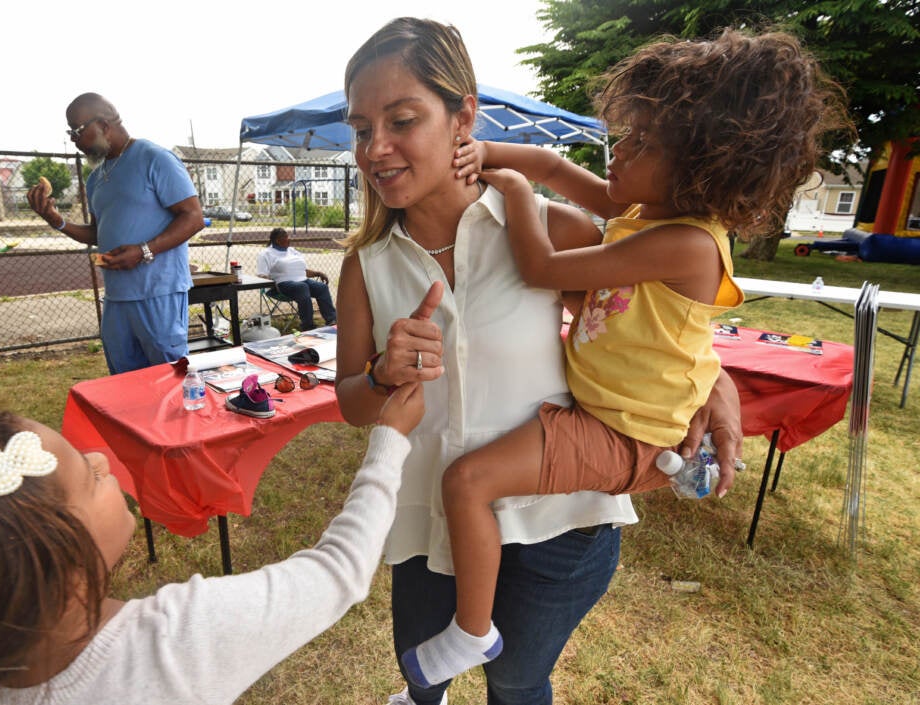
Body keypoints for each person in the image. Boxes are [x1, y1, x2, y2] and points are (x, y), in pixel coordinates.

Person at [400, 28, 850, 688]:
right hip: (613, 408)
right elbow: (556, 167)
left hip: (619, 428)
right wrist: (485, 151)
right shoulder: (642, 205)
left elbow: (541, 265)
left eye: (641, 143)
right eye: (626, 133)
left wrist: (520, 197)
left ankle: (473, 630)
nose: (619, 152)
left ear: (698, 167)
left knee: (469, 481)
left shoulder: (688, 243)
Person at [334, 17, 744, 705]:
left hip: (560, 523)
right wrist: (381, 376)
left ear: (464, 115)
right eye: (359, 128)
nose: (375, 147)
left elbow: (655, 328)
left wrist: (720, 384)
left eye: (401, 119)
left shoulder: (551, 230)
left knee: (519, 680)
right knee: (420, 676)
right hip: (431, 516)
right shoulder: (363, 268)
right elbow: (352, 404)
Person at [0, 381, 424, 705]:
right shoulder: (176, 643)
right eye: (88, 474)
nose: (101, 461)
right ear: (60, 557)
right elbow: (340, 570)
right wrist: (390, 440)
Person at [26, 93, 204, 375]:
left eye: (76, 131)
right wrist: (56, 220)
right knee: (124, 381)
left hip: (158, 292)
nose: (73, 139)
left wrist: (144, 251)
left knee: (168, 378)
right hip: (117, 298)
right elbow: (98, 233)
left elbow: (194, 217)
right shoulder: (96, 177)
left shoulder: (154, 158)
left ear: (103, 124)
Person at [257, 227, 337, 331]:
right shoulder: (266, 254)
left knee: (321, 287)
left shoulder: (292, 251)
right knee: (302, 287)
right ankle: (308, 326)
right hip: (280, 285)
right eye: (286, 237)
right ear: (277, 240)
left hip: (302, 282)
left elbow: (303, 270)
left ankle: (332, 320)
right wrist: (272, 282)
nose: (289, 239)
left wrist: (318, 273)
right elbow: (261, 275)